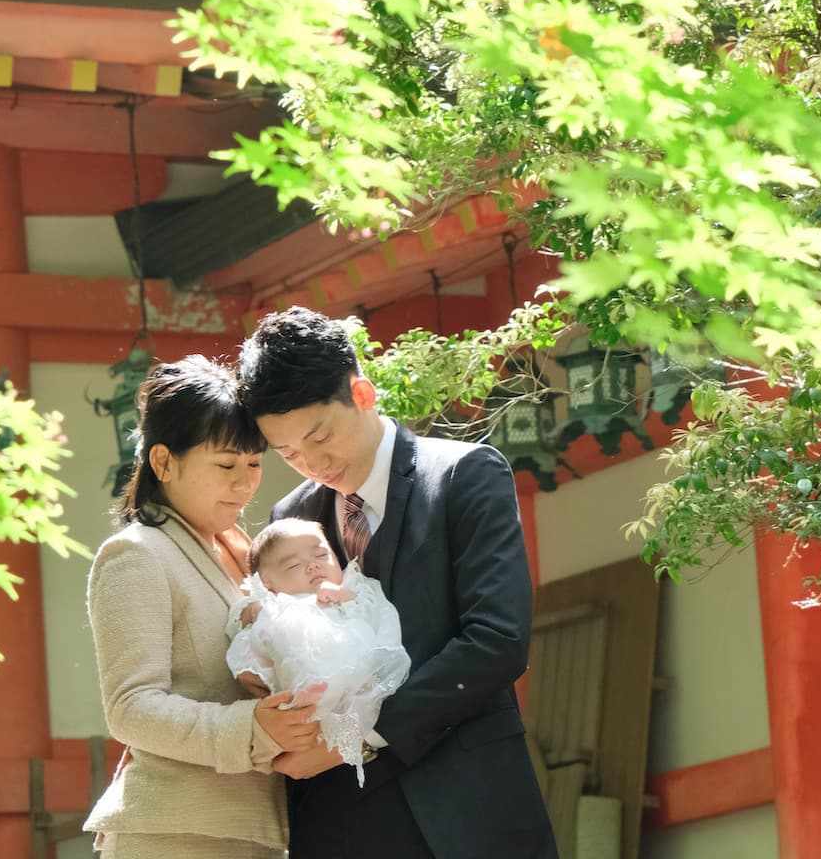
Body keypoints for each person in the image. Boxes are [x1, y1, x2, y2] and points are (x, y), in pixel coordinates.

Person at [237, 307, 559, 859]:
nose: (313, 463)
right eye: (289, 453)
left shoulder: (464, 475)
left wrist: (355, 739)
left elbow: (496, 642)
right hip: (341, 820)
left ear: (362, 395)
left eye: (321, 437)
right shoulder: (289, 519)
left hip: (467, 806)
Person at [83, 355, 321, 859]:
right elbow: (131, 708)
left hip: (254, 827)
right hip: (176, 832)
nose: (245, 483)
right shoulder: (137, 553)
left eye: (254, 464)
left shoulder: (241, 550)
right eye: (226, 465)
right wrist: (252, 727)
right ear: (164, 462)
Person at [225, 518, 411, 786]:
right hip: (300, 671)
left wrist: (343, 597)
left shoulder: (352, 585)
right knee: (275, 633)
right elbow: (237, 623)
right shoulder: (275, 604)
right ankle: (302, 699)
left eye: (321, 555)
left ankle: (320, 699)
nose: (313, 565)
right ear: (268, 584)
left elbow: (372, 612)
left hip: (352, 663)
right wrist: (253, 610)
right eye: (293, 565)